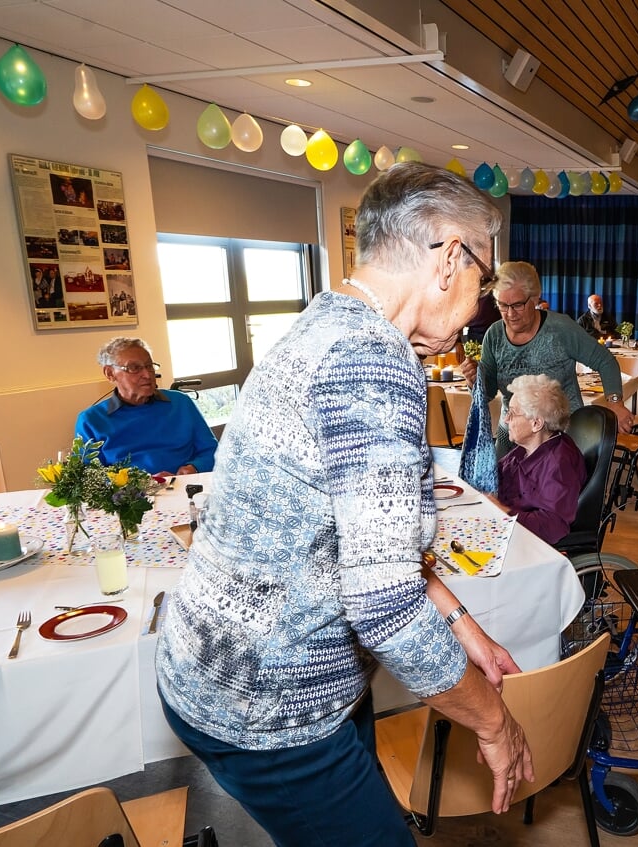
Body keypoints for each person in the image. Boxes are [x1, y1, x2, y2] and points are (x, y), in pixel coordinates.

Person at [155, 164, 533, 847]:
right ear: (450, 257)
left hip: (215, 668)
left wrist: (459, 620)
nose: (480, 304)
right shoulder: (373, 361)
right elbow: (384, 606)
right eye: (483, 278)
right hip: (268, 700)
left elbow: (363, 539)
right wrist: (493, 722)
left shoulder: (329, 318)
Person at [460, 263, 632, 454]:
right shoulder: (494, 335)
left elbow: (605, 361)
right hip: (512, 433)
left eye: (517, 305)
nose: (510, 314)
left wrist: (615, 402)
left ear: (534, 298)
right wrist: (475, 380)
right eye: (502, 305)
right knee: (499, 482)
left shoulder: (560, 329)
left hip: (559, 436)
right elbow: (489, 393)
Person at [75, 337, 216, 475]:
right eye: (134, 368)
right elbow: (89, 477)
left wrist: (195, 467)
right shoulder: (91, 420)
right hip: (130, 496)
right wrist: (140, 484)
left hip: (186, 489)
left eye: (149, 366)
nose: (147, 375)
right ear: (110, 373)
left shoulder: (180, 403)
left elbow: (212, 450)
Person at [492, 374, 587, 544]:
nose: (506, 420)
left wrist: (503, 512)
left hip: (523, 542)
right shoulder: (524, 450)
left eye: (512, 413)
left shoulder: (559, 464)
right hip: (503, 528)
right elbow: (494, 476)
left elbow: (553, 524)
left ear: (536, 423)